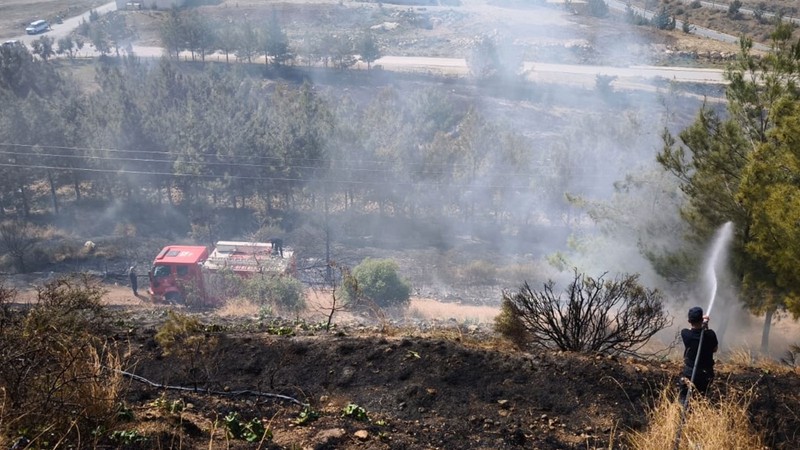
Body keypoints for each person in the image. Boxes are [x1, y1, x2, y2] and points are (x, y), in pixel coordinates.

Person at [679, 306, 719, 405]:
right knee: (702, 397)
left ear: (689, 320)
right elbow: (715, 349)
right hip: (706, 373)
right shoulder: (710, 334)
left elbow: (691, 330)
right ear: (701, 319)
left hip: (690, 372)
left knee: (685, 398)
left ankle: (684, 416)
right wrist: (705, 325)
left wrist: (701, 324)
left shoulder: (685, 334)